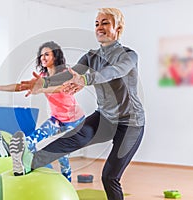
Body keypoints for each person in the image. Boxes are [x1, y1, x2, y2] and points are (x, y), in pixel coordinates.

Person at [10, 8, 145, 200]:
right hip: (105, 117)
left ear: (118, 28)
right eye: (97, 23)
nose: (100, 27)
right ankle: (28, 162)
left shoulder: (129, 56)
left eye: (105, 23)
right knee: (75, 136)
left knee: (109, 177)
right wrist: (44, 83)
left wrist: (86, 79)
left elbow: (114, 71)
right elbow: (68, 75)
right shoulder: (91, 57)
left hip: (131, 123)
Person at [0, 41, 85, 182]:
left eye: (47, 54)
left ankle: (67, 184)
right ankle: (11, 151)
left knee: (62, 157)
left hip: (75, 121)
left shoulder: (64, 73)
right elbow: (21, 86)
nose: (43, 57)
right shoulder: (42, 76)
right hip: (56, 119)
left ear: (55, 57)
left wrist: (41, 89)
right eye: (41, 55)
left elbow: (61, 88)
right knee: (32, 139)